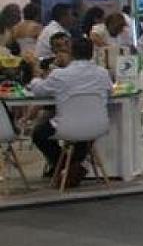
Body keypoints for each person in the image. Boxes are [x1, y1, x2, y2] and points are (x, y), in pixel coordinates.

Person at [29, 35, 112, 188]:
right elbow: (110, 92)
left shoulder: (60, 75)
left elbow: (39, 90)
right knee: (82, 134)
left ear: (72, 52)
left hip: (68, 126)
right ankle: (74, 166)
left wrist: (36, 76)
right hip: (98, 125)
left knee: (39, 134)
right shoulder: (103, 73)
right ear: (92, 53)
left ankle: (64, 165)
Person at [26, 32, 75, 180]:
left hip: (70, 113)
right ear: (52, 49)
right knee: (40, 123)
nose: (63, 49)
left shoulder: (78, 65)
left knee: (40, 130)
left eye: (66, 44)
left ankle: (64, 164)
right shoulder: (48, 65)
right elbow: (43, 89)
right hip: (54, 107)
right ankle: (61, 163)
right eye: (58, 46)